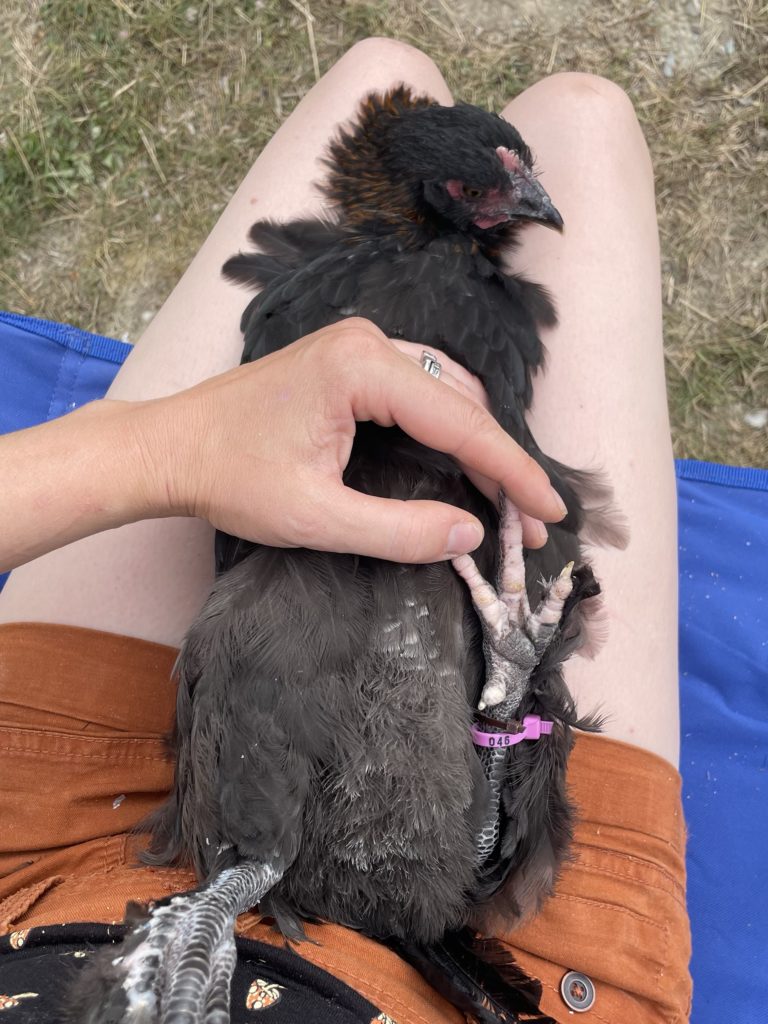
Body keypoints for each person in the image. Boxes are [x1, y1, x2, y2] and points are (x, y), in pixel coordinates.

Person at [0, 39, 691, 1023]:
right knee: (585, 112)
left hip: (46, 865)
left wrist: (155, 455)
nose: (524, 205)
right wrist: (509, 709)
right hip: (503, 945)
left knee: (382, 69)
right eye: (481, 191)